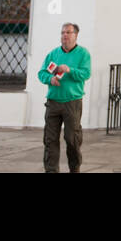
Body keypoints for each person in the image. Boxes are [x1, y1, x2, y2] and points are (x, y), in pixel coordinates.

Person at [40, 22, 92, 173]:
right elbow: (42, 73)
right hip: (53, 102)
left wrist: (69, 70)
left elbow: (85, 74)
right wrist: (50, 79)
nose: (65, 35)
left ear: (76, 35)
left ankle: (74, 169)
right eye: (63, 32)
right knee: (50, 140)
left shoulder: (83, 54)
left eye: (68, 32)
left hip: (72, 102)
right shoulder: (53, 54)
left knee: (72, 139)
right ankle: (51, 170)